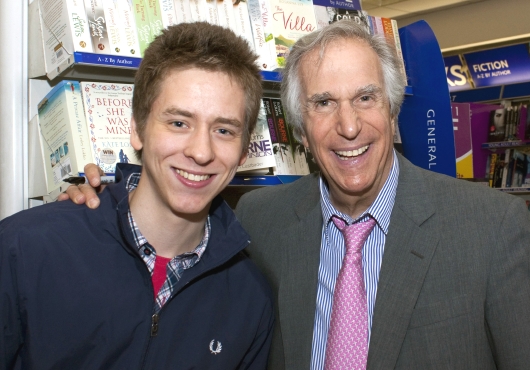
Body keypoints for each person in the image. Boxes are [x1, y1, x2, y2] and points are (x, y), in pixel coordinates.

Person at [63, 20, 530, 369]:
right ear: (301, 131)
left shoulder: (491, 229)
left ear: (392, 113)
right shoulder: (261, 219)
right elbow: (176, 228)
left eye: (365, 98)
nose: (348, 126)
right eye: (323, 103)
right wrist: (102, 208)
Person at [0, 22, 274, 369]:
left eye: (223, 130)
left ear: (244, 151)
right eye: (178, 123)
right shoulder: (24, 250)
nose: (201, 152)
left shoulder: (250, 298)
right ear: (136, 128)